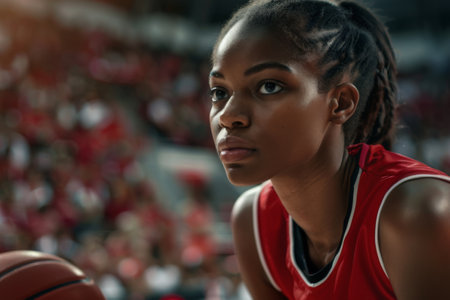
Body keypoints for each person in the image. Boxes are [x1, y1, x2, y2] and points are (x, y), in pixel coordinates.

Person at [208, 0, 450, 299]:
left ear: (341, 103)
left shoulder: (417, 211)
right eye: (219, 92)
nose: (228, 116)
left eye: (269, 86)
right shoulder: (252, 223)